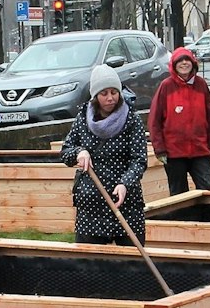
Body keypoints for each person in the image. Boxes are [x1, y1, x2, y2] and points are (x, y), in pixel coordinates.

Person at [60, 64, 148, 245]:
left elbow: (139, 159)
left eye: (114, 92)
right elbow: (65, 152)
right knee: (90, 265)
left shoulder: (131, 119)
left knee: (133, 263)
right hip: (91, 205)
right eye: (104, 93)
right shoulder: (83, 118)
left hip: (126, 202)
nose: (110, 98)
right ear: (95, 96)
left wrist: (125, 184)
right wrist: (79, 152)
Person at [147, 47, 210, 197]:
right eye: (180, 61)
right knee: (178, 194)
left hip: (200, 149)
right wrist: (159, 149)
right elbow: (154, 120)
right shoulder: (166, 86)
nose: (184, 64)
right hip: (174, 153)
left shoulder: (201, 85)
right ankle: (183, 220)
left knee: (209, 190)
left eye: (187, 60)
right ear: (174, 65)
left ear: (193, 63)